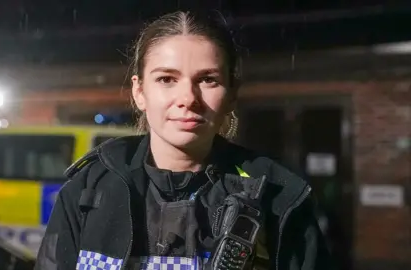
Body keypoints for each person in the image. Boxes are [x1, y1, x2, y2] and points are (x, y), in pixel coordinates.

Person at [35, 11, 330, 270]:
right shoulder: (86, 190)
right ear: (139, 92)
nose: (188, 98)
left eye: (208, 80)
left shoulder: (279, 197)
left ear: (231, 93)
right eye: (166, 79)